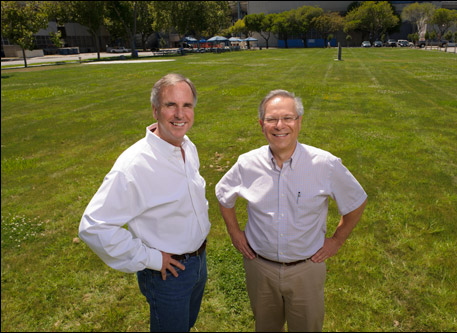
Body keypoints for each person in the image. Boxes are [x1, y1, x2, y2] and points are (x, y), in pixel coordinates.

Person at [215, 89, 367, 332]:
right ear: (261, 124)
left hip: (306, 270)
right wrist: (234, 233)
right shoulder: (247, 163)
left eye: (288, 118)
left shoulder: (325, 164)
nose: (279, 125)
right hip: (260, 268)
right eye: (271, 119)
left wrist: (337, 241)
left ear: (299, 122)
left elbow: (357, 200)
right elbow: (224, 196)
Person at [79, 73, 210, 332]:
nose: (180, 114)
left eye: (187, 105)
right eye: (171, 105)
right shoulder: (134, 166)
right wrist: (151, 258)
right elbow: (94, 227)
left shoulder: (186, 146)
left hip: (198, 263)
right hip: (167, 273)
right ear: (155, 110)